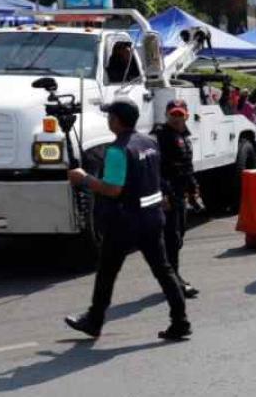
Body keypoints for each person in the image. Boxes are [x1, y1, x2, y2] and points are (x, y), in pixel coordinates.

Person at [64, 99, 191, 341]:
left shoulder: (118, 150)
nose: (108, 120)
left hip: (125, 222)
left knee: (107, 273)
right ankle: (180, 321)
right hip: (153, 218)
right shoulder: (149, 142)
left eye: (110, 116)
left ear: (117, 120)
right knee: (164, 271)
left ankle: (94, 321)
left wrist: (83, 178)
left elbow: (113, 189)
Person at [153, 99, 201, 299]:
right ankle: (173, 281)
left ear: (187, 115)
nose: (177, 118)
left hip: (180, 193)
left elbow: (185, 167)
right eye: (173, 114)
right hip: (168, 195)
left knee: (178, 237)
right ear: (167, 115)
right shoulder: (161, 137)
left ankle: (172, 278)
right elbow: (156, 168)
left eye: (180, 114)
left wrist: (193, 189)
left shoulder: (183, 136)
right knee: (172, 239)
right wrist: (162, 194)